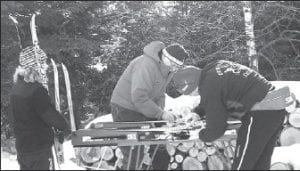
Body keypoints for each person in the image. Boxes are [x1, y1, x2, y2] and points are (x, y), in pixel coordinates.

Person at [172, 60, 293, 170]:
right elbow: (214, 99)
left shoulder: (209, 87)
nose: (194, 96)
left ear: (191, 86)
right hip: (276, 107)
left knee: (242, 164)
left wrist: (199, 135)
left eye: (190, 93)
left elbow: (216, 129)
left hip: (260, 112)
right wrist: (197, 113)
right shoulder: (214, 68)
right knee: (260, 163)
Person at [110, 41, 189, 170]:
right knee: (134, 152)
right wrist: (160, 114)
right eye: (173, 65)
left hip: (142, 108)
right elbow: (139, 97)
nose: (174, 69)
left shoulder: (167, 70)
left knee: (160, 145)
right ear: (166, 58)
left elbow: (160, 95)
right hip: (125, 108)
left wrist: (161, 113)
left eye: (177, 67)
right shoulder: (146, 65)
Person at [9, 46, 70, 170]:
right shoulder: (36, 91)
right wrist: (63, 125)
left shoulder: (16, 89)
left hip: (23, 148)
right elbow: (49, 114)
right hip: (39, 149)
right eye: (42, 63)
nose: (45, 67)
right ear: (34, 67)